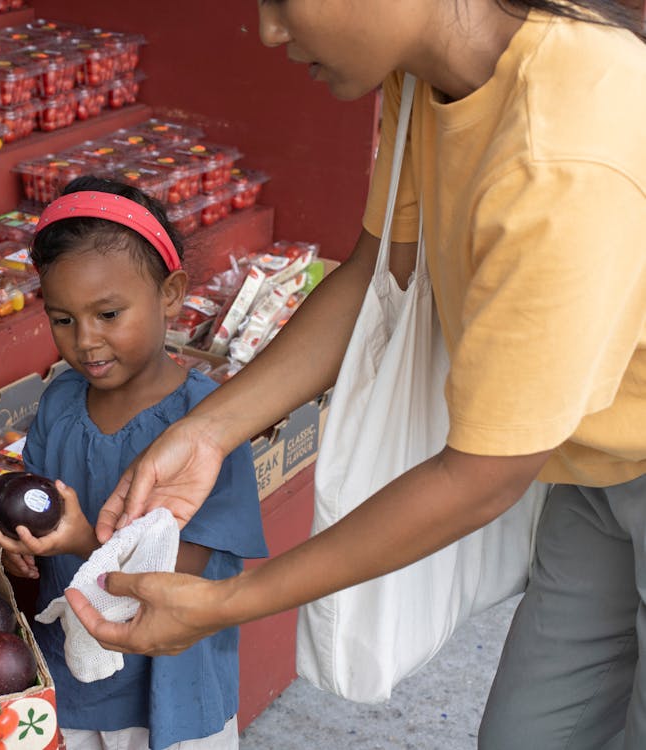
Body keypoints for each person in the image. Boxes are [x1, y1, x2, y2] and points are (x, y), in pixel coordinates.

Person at [63, 1, 646, 748]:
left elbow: (482, 474)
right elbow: (378, 271)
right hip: (599, 471)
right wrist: (206, 432)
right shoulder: (431, 77)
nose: (270, 31)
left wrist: (231, 600)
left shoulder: (559, 155)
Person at [0, 175, 268, 749]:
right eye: (63, 319)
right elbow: (39, 499)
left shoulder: (208, 425)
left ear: (170, 293)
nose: (85, 340)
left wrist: (82, 542)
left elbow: (181, 572)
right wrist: (18, 545)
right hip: (72, 668)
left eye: (109, 314)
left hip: (169, 681)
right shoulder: (61, 400)